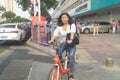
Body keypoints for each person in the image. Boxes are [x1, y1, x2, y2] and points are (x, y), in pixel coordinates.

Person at [48, 13, 76, 80]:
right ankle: (61, 63)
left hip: (71, 44)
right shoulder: (59, 27)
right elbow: (55, 34)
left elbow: (72, 33)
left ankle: (71, 74)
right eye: (62, 18)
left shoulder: (72, 25)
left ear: (68, 18)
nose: (64, 19)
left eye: (65, 17)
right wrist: (51, 40)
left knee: (71, 57)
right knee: (59, 52)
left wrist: (71, 39)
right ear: (61, 19)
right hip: (64, 43)